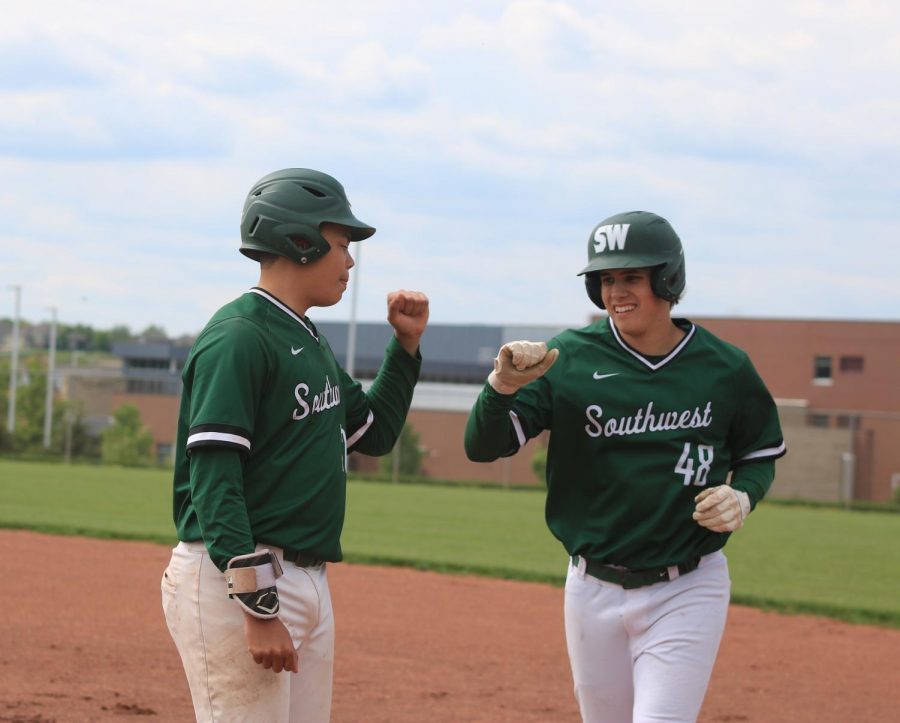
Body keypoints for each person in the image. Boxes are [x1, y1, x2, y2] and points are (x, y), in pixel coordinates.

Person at [464, 211, 785, 723]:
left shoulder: (724, 367)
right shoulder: (566, 357)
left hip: (687, 583)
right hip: (591, 587)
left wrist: (743, 494)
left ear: (668, 278)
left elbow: (760, 453)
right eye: (607, 279)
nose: (617, 292)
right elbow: (483, 447)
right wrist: (500, 387)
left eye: (632, 276)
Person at [161, 168, 429, 722]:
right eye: (341, 244)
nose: (350, 260)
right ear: (299, 242)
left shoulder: (305, 338)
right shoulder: (240, 336)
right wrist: (257, 605)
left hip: (306, 580)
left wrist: (404, 348)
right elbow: (214, 480)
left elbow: (372, 432)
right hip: (236, 579)